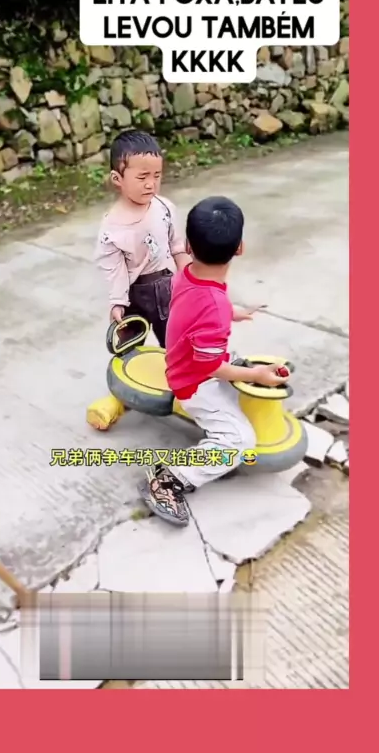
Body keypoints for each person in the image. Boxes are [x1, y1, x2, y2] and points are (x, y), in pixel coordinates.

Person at [138, 195, 289, 526]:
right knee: (240, 442)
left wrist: (233, 312)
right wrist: (256, 376)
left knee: (244, 369)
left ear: (189, 246)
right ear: (240, 248)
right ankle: (168, 480)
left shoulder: (186, 272)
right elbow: (209, 366)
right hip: (193, 382)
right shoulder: (214, 307)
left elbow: (200, 301)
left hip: (192, 359)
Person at [95, 130, 189, 347]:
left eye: (157, 176)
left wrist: (191, 280)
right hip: (133, 295)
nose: (151, 184)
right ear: (117, 179)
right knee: (129, 348)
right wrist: (117, 302)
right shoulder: (112, 227)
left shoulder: (164, 208)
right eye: (142, 177)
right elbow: (114, 268)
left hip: (167, 289)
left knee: (175, 344)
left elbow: (177, 247)